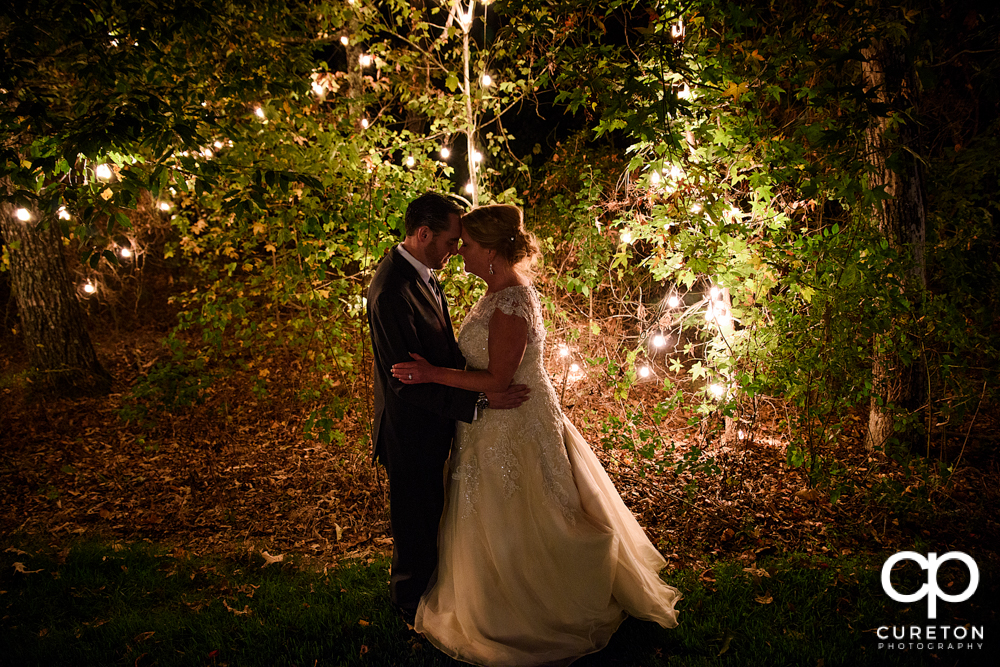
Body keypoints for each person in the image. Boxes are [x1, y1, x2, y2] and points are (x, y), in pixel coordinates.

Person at [391, 204, 681, 666]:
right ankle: (492, 596)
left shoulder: (510, 301)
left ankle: (533, 606)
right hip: (493, 420)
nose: (459, 253)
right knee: (498, 512)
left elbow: (498, 380)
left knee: (526, 510)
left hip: (512, 419)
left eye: (465, 244)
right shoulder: (495, 292)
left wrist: (431, 374)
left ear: (489, 251)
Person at [366, 192, 529, 625]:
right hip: (410, 430)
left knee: (430, 517)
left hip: (435, 423)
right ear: (423, 235)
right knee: (414, 523)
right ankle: (408, 607)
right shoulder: (391, 291)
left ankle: (437, 591)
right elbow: (406, 381)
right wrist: (478, 399)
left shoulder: (422, 271)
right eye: (451, 241)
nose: (457, 250)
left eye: (462, 242)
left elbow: (439, 358)